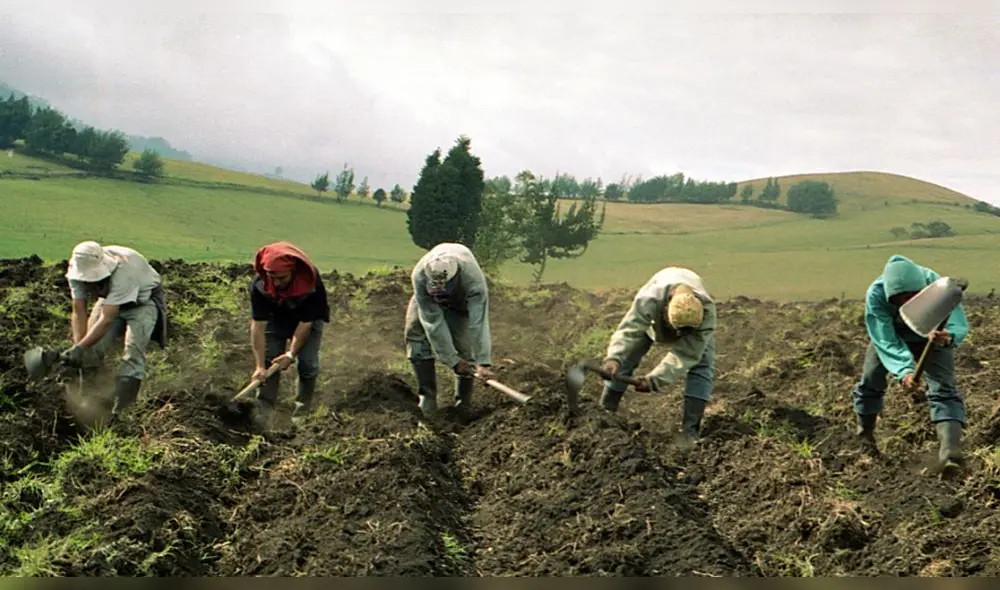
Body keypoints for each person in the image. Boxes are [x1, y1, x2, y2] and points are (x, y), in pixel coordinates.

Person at [851, 254, 969, 468]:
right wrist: (904, 372)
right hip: (894, 335)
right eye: (901, 299)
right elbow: (885, 339)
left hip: (932, 335)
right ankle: (865, 436)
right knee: (870, 381)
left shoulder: (937, 286)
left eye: (913, 297)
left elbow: (956, 319)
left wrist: (948, 336)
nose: (907, 303)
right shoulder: (877, 294)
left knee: (944, 389)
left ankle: (950, 453)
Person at [600, 267, 717, 444]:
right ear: (666, 308)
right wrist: (614, 358)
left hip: (695, 331)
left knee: (701, 366)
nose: (680, 337)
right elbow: (629, 331)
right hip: (653, 325)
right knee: (627, 358)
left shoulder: (707, 312)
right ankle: (606, 410)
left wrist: (655, 380)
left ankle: (690, 432)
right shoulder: (650, 299)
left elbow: (686, 354)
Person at [60, 241, 168, 422]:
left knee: (133, 352)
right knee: (90, 349)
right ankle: (87, 397)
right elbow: (78, 311)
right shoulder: (75, 273)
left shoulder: (124, 271)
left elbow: (106, 319)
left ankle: (121, 412)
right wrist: (80, 348)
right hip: (108, 300)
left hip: (142, 303)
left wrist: (80, 348)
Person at [404, 242, 493, 415]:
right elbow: (433, 322)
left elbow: (478, 323)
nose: (440, 295)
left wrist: (482, 362)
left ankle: (463, 403)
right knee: (415, 333)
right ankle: (427, 397)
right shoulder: (420, 276)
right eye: (437, 290)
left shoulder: (474, 283)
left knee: (464, 348)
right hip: (426, 299)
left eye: (444, 290)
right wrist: (452, 360)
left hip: (460, 301)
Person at [248, 241, 329, 422]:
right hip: (276, 319)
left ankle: (301, 413)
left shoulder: (311, 282)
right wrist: (259, 366)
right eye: (272, 277)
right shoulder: (260, 285)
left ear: (292, 271)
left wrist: (291, 354)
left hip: (306, 320)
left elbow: (305, 324)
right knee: (269, 363)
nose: (276, 283)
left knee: (308, 364)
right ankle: (263, 413)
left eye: (282, 278)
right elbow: (258, 325)